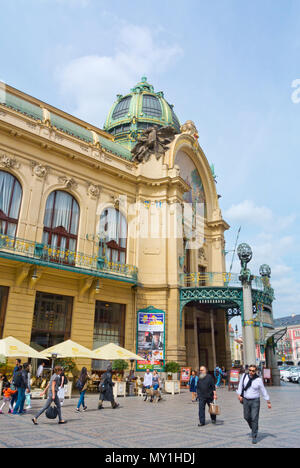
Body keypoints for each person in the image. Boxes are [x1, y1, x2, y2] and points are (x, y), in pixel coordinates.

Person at [237, 364, 272, 445]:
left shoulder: (258, 380)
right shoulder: (244, 376)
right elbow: (240, 386)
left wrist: (268, 401)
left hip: (255, 401)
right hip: (246, 400)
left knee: (254, 418)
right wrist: (239, 394)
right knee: (246, 417)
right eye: (250, 370)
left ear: (256, 371)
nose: (251, 372)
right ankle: (254, 428)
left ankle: (254, 436)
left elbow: (263, 390)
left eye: (253, 371)